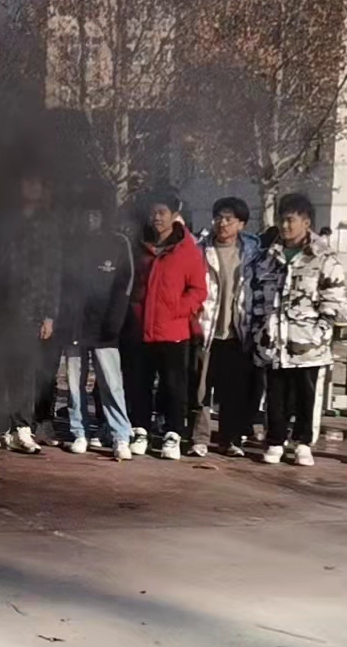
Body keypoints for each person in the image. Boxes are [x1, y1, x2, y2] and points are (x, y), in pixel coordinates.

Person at [245, 193, 347, 467]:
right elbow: (257, 296)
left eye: (291, 220)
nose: (285, 226)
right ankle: (276, 440)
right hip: (274, 341)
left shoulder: (323, 257)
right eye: (282, 219)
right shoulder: (268, 256)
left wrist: (320, 332)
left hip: (307, 343)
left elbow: (333, 299)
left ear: (306, 222)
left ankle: (303, 443)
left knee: (307, 396)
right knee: (276, 395)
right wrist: (258, 330)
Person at [0, 172, 64, 455]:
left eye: (35, 182)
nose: (30, 186)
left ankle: (22, 428)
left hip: (32, 311)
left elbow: (54, 273)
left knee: (24, 373)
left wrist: (49, 315)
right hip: (0, 308)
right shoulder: (2, 223)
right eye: (26, 180)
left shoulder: (49, 226)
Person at [122, 193, 207, 460]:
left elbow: (198, 290)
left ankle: (173, 434)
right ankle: (141, 430)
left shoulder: (187, 250)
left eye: (162, 212)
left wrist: (178, 310)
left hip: (173, 332)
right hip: (141, 330)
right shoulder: (139, 246)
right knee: (140, 384)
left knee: (174, 386)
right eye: (153, 212)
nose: (157, 217)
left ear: (174, 214)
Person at [60, 204, 135, 459]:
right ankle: (80, 431)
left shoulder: (119, 243)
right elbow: (61, 285)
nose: (90, 217)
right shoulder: (70, 242)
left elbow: (125, 285)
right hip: (75, 325)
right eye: (86, 211)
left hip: (106, 328)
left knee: (112, 384)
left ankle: (120, 435)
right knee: (74, 384)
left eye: (95, 211)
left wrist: (114, 323)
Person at [189, 197, 261, 458]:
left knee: (233, 390)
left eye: (229, 218)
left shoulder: (252, 252)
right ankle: (199, 437)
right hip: (206, 330)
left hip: (237, 332)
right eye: (219, 217)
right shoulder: (200, 250)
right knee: (201, 389)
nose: (223, 223)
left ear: (241, 224)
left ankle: (229, 439)